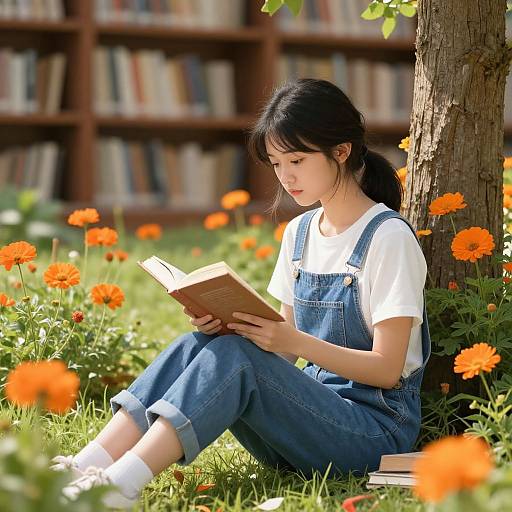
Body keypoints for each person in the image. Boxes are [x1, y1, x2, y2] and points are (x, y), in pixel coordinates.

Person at [52, 78, 431, 509]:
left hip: (371, 434)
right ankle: (84, 465)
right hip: (303, 427)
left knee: (236, 357)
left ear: (341, 152)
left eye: (297, 160)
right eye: (275, 163)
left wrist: (290, 340)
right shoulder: (301, 232)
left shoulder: (387, 238)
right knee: (198, 343)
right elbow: (285, 356)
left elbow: (387, 369)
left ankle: (119, 485)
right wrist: (227, 324)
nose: (286, 177)